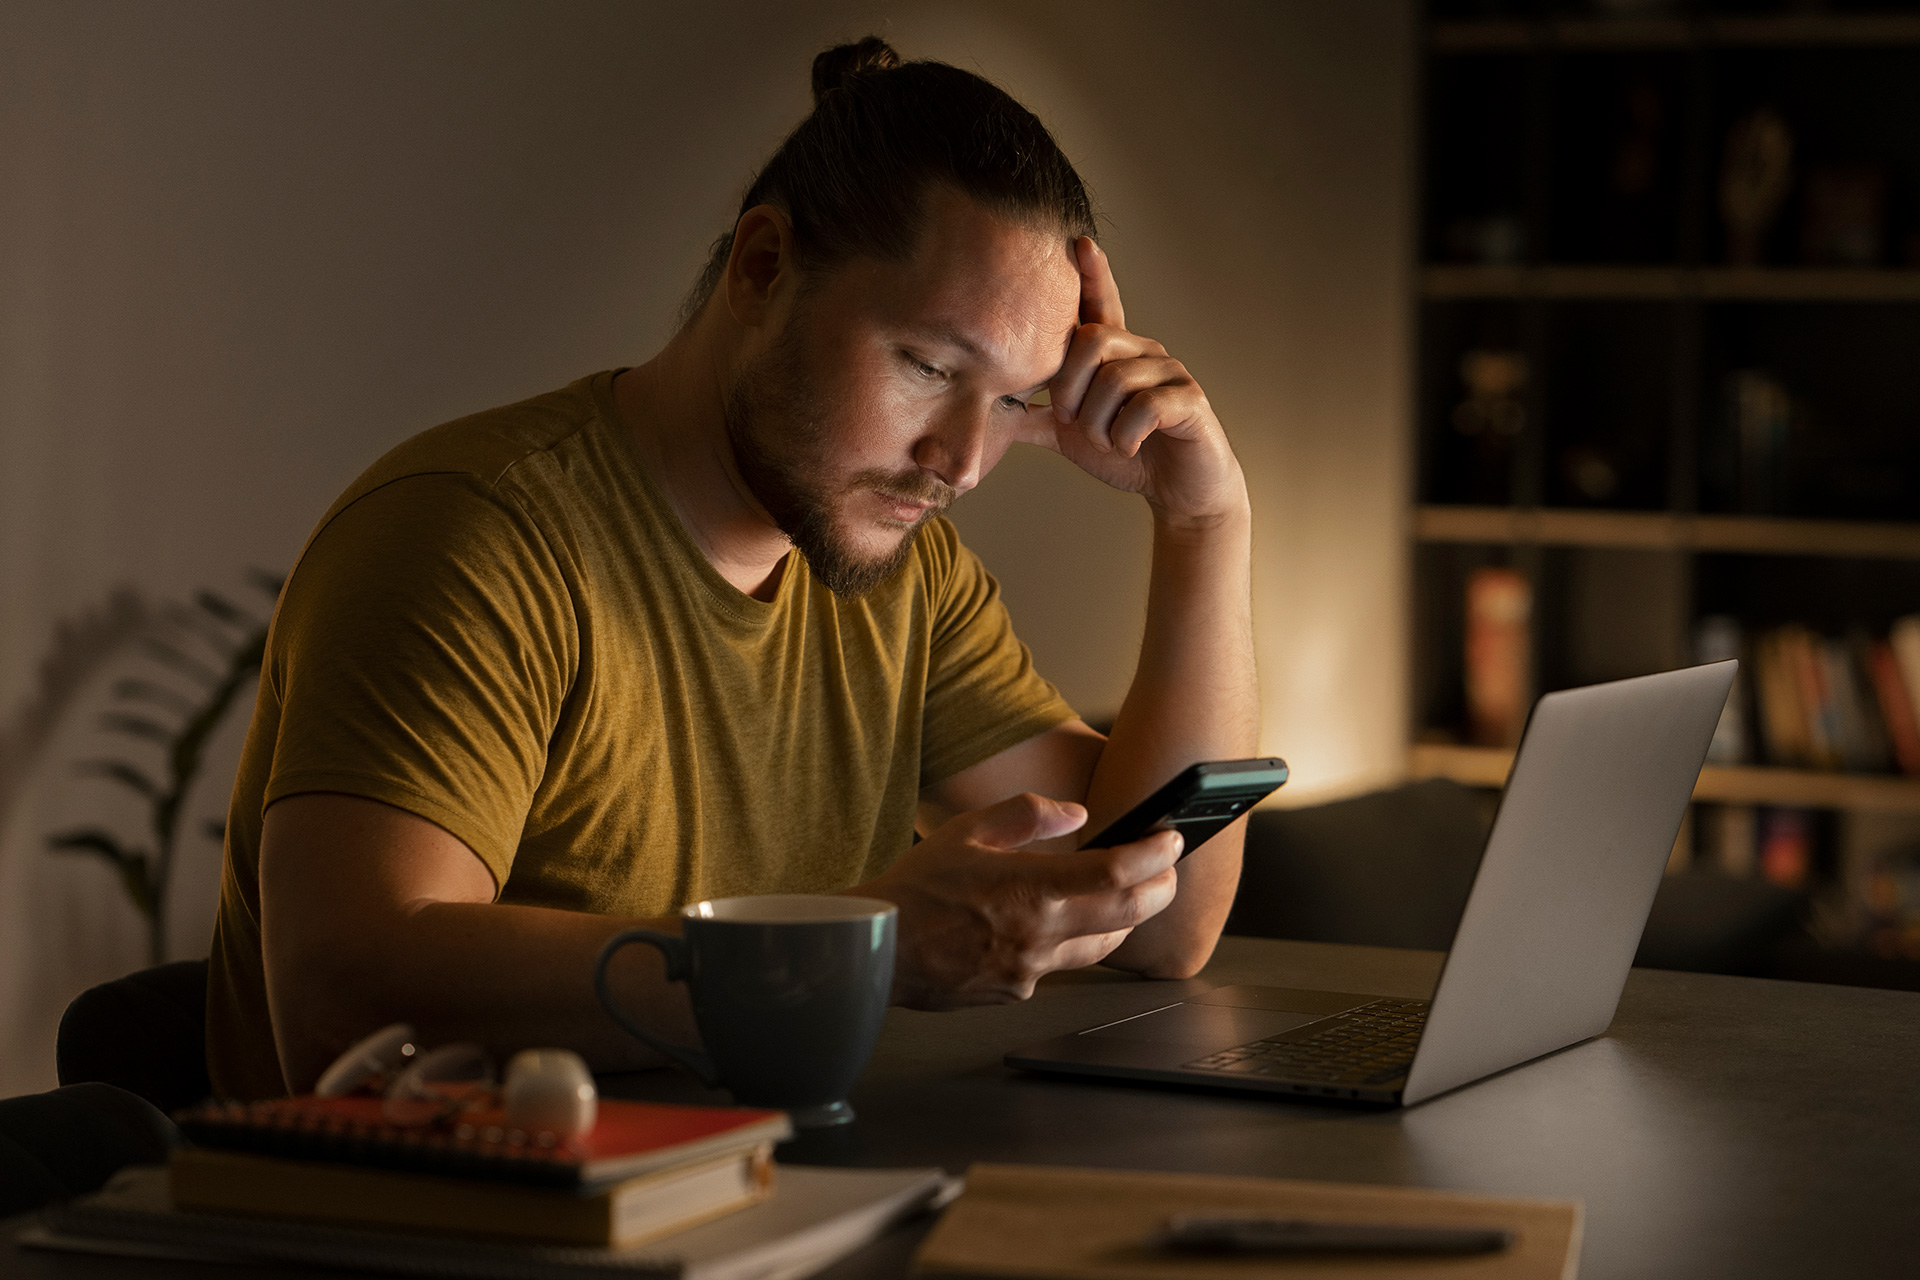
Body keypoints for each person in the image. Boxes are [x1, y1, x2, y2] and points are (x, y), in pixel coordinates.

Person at [206, 37, 1256, 1099]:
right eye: (931, 367)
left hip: (751, 1207)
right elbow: (340, 1005)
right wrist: (863, 944)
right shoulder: (473, 537)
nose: (964, 463)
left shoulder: (904, 579)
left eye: (1017, 399)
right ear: (762, 268)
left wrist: (1204, 520)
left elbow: (1162, 921)